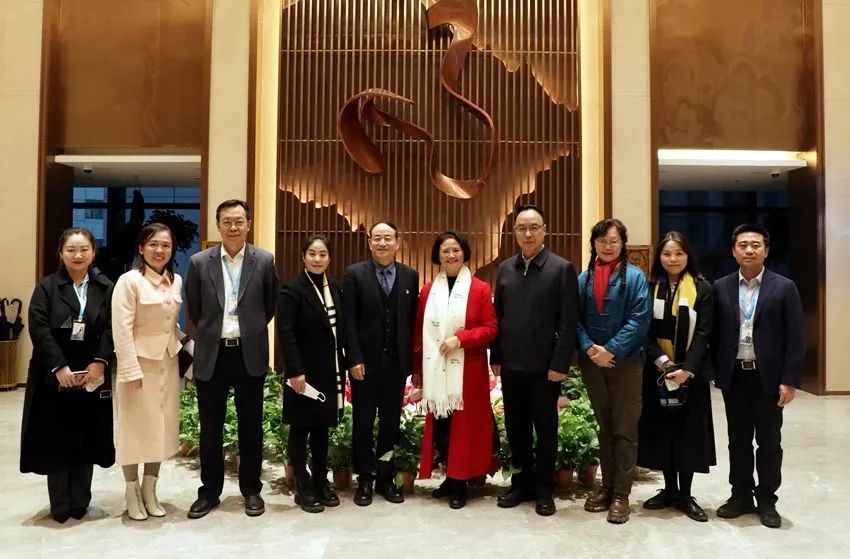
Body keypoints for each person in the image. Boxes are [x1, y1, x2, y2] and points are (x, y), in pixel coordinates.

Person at [184, 199, 278, 518]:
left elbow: (269, 306)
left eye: (239, 221)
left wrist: (249, 330)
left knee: (250, 426)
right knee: (210, 427)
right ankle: (210, 491)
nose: (233, 227)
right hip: (213, 353)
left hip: (249, 353)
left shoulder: (263, 260)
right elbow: (194, 309)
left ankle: (252, 490)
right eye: (227, 221)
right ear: (218, 225)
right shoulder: (199, 262)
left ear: (249, 224)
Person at [712, 223, 804, 529]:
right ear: (733, 251)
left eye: (755, 245)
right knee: (737, 441)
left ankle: (767, 500)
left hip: (769, 379)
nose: (749, 250)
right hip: (735, 376)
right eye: (743, 245)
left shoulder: (784, 287)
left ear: (766, 250)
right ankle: (740, 496)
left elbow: (795, 337)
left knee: (769, 442)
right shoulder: (721, 287)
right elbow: (714, 334)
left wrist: (789, 380)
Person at [20, 227, 115, 523]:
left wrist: (100, 362)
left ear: (93, 253)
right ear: (60, 253)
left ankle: (80, 502)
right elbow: (39, 328)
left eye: (84, 249)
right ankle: (60, 504)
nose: (78, 255)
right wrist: (58, 367)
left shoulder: (104, 286)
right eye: (71, 250)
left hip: (90, 374)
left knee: (87, 436)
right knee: (57, 437)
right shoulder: (47, 287)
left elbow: (112, 327)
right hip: (55, 376)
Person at [490, 204, 578, 516]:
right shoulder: (506, 269)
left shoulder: (561, 268)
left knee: (546, 430)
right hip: (511, 366)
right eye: (522, 228)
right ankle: (521, 484)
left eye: (533, 227)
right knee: (516, 429)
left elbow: (568, 322)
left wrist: (560, 365)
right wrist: (496, 356)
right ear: (514, 233)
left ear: (544, 230)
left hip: (545, 369)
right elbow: (498, 316)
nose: (527, 233)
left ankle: (543, 489)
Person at [413, 230, 499, 509]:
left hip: (468, 371)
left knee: (464, 429)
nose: (451, 255)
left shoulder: (480, 289)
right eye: (445, 251)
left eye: (456, 250)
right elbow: (419, 333)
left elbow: (491, 328)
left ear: (465, 254)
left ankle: (461, 482)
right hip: (436, 370)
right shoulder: (428, 290)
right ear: (437, 256)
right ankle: (450, 478)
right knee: (442, 426)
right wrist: (417, 370)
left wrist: (460, 339)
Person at [637, 231, 716, 523]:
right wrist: (665, 364)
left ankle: (686, 494)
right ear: (659, 257)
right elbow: (644, 330)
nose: (673, 259)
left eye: (679, 253)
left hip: (691, 375)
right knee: (662, 431)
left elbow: (705, 332)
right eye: (667, 254)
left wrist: (686, 369)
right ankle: (669, 490)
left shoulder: (702, 288)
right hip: (658, 373)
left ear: (688, 256)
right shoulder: (650, 287)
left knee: (688, 434)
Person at [577, 218, 651, 524]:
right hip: (593, 363)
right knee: (604, 427)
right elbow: (574, 319)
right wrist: (590, 349)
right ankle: (606, 487)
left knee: (625, 429)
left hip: (626, 363)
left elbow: (639, 319)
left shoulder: (635, 277)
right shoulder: (583, 278)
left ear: (623, 244)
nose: (607, 246)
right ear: (593, 244)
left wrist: (611, 350)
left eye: (613, 241)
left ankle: (622, 494)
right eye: (602, 241)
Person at [342, 221, 419, 506]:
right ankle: (364, 480)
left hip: (395, 364)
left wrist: (412, 363)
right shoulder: (354, 274)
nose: (382, 243)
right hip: (364, 364)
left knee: (390, 424)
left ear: (398, 242)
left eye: (388, 238)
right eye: (377, 238)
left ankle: (385, 479)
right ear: (369, 242)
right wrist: (354, 358)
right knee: (362, 423)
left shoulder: (410, 275)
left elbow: (411, 320)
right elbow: (348, 320)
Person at [111, 223, 183, 520]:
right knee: (133, 428)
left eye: (165, 245)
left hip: (167, 363)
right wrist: (129, 369)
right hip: (138, 366)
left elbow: (171, 324)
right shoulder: (129, 281)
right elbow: (121, 329)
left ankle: (150, 489)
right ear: (141, 248)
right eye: (153, 244)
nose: (159, 250)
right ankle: (131, 491)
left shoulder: (175, 280)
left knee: (161, 428)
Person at [277, 235, 345, 513]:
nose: (317, 259)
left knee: (321, 429)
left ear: (329, 258)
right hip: (302, 374)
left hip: (328, 370)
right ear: (303, 257)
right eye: (312, 254)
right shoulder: (292, 290)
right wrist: (295, 371)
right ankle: (302, 486)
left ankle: (320, 481)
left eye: (323, 254)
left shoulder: (335, 288)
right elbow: (286, 333)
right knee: (300, 428)